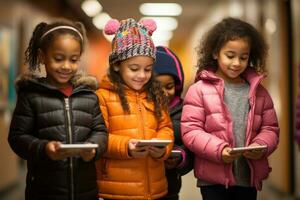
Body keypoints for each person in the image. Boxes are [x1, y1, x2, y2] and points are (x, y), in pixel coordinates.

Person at [181, 17, 280, 200]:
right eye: (230, 56)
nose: (236, 63)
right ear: (215, 53)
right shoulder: (199, 90)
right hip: (213, 178)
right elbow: (191, 130)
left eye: (243, 57)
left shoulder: (259, 91)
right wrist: (218, 150)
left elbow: (270, 128)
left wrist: (261, 145)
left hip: (247, 176)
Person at [8, 20, 108, 200]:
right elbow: (17, 138)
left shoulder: (89, 96)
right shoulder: (31, 96)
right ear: (42, 56)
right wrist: (44, 148)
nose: (66, 66)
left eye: (74, 59)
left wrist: (93, 148)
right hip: (45, 190)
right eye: (59, 58)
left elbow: (100, 131)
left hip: (85, 191)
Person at [95, 18, 174, 200]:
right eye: (134, 68)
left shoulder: (155, 95)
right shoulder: (103, 96)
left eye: (147, 69)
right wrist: (126, 147)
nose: (142, 75)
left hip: (155, 190)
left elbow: (166, 128)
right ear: (116, 65)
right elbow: (99, 137)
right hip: (116, 191)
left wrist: (163, 147)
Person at [153, 46, 193, 200]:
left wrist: (181, 158)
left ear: (177, 86)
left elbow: (190, 149)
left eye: (169, 87)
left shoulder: (184, 111)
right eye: (157, 87)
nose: (164, 93)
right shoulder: (140, 109)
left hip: (170, 188)